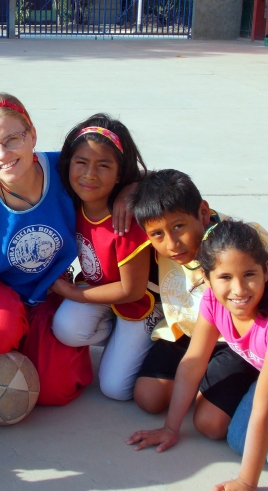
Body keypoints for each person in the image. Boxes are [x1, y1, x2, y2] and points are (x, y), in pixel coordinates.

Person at [127, 220, 268, 490]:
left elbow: (265, 408)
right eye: (225, 277)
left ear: (266, 270)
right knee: (239, 439)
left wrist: (246, 482)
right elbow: (194, 363)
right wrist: (171, 427)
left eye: (249, 274)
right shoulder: (213, 301)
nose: (239, 290)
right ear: (207, 276)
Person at [128, 169, 268, 439]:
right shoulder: (159, 238)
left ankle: (260, 377)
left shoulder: (237, 244)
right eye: (157, 234)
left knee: (210, 424)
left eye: (179, 227)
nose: (172, 243)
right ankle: (204, 384)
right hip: (188, 331)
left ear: (203, 212)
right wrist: (124, 196)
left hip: (237, 342)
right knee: (148, 398)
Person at [0, 93, 93, 406]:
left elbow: (120, 173)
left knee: (55, 390)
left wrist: (131, 192)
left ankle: (25, 340)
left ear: (33, 135)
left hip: (48, 290)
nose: (2, 154)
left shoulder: (68, 171)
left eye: (12, 139)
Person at [51, 114, 160, 401]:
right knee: (66, 329)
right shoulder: (71, 199)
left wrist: (71, 292)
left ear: (120, 174)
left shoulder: (126, 218)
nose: (89, 174)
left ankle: (157, 334)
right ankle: (118, 338)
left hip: (141, 303)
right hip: (102, 289)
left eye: (104, 166)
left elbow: (131, 290)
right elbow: (25, 164)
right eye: (81, 162)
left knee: (116, 389)